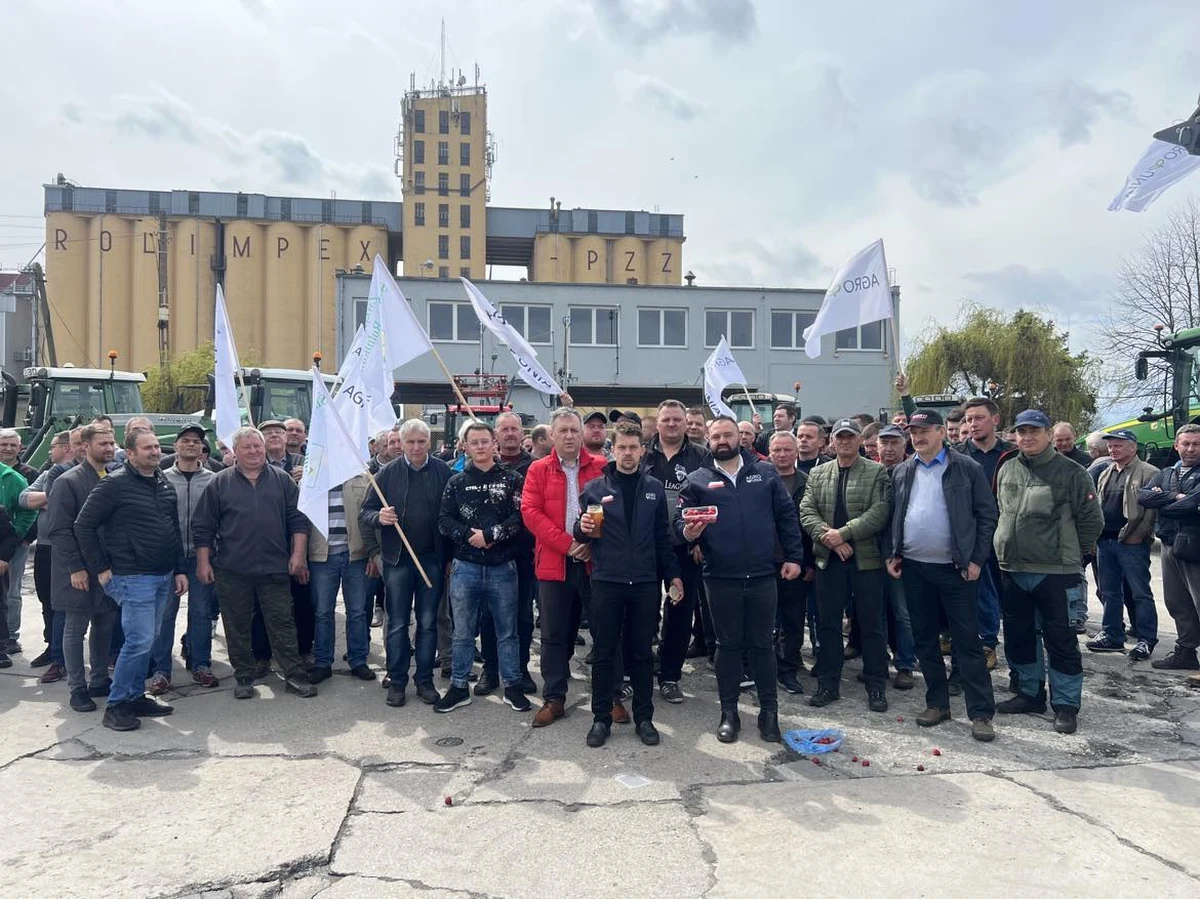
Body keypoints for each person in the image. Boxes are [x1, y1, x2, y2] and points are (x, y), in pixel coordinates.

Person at [677, 416, 804, 743]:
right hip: (720, 577)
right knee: (728, 646)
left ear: (740, 438)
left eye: (727, 434)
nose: (722, 440)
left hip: (763, 575)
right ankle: (729, 712)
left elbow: (787, 516)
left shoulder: (765, 473)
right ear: (708, 438)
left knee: (762, 644)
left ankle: (769, 712)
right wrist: (688, 532)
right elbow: (680, 523)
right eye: (715, 435)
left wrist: (793, 556)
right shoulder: (697, 480)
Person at [883, 409, 998, 742]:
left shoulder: (966, 468)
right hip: (915, 568)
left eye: (924, 431)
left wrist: (977, 559)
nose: (917, 437)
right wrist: (893, 552)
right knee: (924, 639)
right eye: (913, 432)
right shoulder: (903, 470)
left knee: (967, 642)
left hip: (956, 570)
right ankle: (938, 703)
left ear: (941, 433)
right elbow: (895, 514)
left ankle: (980, 713)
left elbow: (986, 515)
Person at [994, 410, 1102, 735]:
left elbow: (1091, 520)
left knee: (1061, 641)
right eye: (1021, 431)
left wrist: (1071, 555)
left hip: (1056, 572)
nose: (1026, 437)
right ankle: (1029, 694)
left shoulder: (1071, 472)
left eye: (1034, 431)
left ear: (1048, 433)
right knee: (1020, 637)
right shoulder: (1007, 466)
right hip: (1013, 569)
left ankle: (1066, 705)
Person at [73, 430, 187, 731]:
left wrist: (180, 569)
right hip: (132, 576)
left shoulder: (162, 481)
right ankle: (117, 705)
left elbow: (171, 527)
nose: (154, 452)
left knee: (148, 639)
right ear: (131, 452)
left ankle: (136, 695)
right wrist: (101, 568)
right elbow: (83, 525)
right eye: (147, 448)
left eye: (156, 447)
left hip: (163, 575)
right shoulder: (114, 484)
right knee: (138, 641)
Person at [192, 426, 317, 700]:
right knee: (237, 624)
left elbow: (298, 520)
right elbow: (203, 527)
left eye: (257, 446)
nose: (254, 451)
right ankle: (244, 676)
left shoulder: (283, 480)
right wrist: (203, 563)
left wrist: (298, 554)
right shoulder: (219, 483)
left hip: (275, 567)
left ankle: (294, 675)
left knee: (282, 622)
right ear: (235, 451)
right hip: (232, 568)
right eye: (247, 447)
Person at [577, 422, 681, 747]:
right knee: (604, 653)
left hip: (645, 584)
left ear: (642, 450)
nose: (627, 453)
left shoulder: (653, 489)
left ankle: (645, 718)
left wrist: (673, 576)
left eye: (633, 448)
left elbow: (663, 540)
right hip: (607, 581)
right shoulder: (595, 489)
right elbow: (584, 535)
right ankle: (600, 719)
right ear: (613, 449)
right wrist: (580, 529)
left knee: (640, 654)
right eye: (621, 447)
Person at [434, 421, 530, 714]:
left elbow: (519, 518)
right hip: (466, 567)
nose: (479, 447)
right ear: (465, 446)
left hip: (503, 567)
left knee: (507, 631)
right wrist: (470, 537)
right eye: (473, 442)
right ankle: (459, 686)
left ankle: (512, 685)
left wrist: (491, 536)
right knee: (463, 632)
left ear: (494, 444)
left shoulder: (512, 479)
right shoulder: (456, 481)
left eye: (484, 441)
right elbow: (444, 520)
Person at [798, 418, 892, 713]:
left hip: (865, 560)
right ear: (832, 441)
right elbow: (806, 511)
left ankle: (876, 685)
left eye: (850, 437)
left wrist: (846, 533)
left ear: (859, 440)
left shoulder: (876, 472)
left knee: (872, 625)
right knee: (827, 624)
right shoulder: (818, 473)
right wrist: (832, 539)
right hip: (829, 558)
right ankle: (828, 683)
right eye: (840, 437)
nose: (845, 442)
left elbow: (880, 512)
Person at [524, 408, 607, 727]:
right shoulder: (538, 470)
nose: (570, 436)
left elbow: (605, 506)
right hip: (554, 563)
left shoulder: (600, 466)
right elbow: (531, 513)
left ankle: (608, 696)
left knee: (604, 631)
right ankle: (554, 697)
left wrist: (591, 541)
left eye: (574, 430)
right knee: (554, 635)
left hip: (595, 563)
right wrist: (568, 543)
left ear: (582, 433)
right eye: (563, 431)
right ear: (553, 435)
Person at [360, 418, 452, 707]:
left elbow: (451, 516)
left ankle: (424, 681)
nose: (415, 447)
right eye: (409, 442)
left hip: (432, 560)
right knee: (398, 623)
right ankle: (397, 680)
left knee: (427, 623)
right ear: (399, 442)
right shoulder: (386, 474)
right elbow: (365, 512)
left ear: (429, 443)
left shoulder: (443, 471)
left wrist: (448, 557)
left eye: (420, 442)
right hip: (397, 559)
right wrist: (380, 518)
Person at [46, 424, 120, 713]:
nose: (109, 448)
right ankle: (77, 688)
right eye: (103, 443)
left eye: (112, 443)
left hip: (108, 568)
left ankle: (100, 680)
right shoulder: (68, 481)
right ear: (85, 446)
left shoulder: (114, 477)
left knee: (104, 625)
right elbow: (59, 529)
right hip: (77, 569)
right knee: (76, 629)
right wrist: (75, 567)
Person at [642, 399, 710, 704]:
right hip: (644, 549)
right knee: (642, 613)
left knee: (679, 614)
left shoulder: (701, 456)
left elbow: (712, 502)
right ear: (657, 423)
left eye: (676, 420)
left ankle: (670, 676)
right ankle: (639, 671)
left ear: (687, 423)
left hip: (685, 549)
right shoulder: (640, 453)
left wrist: (700, 542)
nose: (671, 424)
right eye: (666, 419)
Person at [1085, 430, 1158, 661]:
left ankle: (1146, 639)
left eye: (1118, 446)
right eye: (1110, 446)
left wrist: (1140, 535)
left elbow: (1152, 510)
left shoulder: (1149, 473)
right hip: (1106, 542)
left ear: (1133, 447)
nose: (1112, 450)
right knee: (1109, 592)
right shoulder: (1106, 472)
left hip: (1132, 543)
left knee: (1139, 593)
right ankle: (1112, 634)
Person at [156, 425, 220, 689]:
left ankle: (201, 663)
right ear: (177, 445)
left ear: (202, 449)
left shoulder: (214, 479)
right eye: (186, 440)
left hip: (202, 556)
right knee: (164, 614)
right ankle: (161, 669)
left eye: (196, 441)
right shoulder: (160, 478)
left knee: (201, 612)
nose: (191, 445)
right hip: (168, 558)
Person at [478, 411, 537, 695]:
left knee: (523, 616)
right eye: (505, 429)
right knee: (489, 615)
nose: (511, 433)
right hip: (491, 555)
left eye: (515, 429)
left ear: (522, 433)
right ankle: (490, 670)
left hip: (524, 554)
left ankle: (521, 668)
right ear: (496, 435)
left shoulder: (535, 467)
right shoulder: (484, 465)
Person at [1140, 425, 1200, 684]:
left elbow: (1193, 504)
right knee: (1177, 602)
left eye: (1196, 444)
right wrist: (1175, 496)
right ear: (1176, 445)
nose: (1190, 449)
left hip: (1195, 547)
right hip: (1169, 543)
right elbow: (1142, 496)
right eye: (1185, 443)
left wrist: (1164, 500)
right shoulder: (1167, 472)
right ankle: (1186, 652)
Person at [959, 396, 1016, 662]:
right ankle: (973, 640)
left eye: (979, 418)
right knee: (974, 590)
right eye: (969, 419)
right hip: (968, 533)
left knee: (996, 590)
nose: (973, 424)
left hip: (1005, 533)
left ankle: (989, 643)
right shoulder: (958, 454)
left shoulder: (1012, 454)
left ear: (995, 420)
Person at [308, 469, 376, 685]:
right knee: (322, 612)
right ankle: (322, 663)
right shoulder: (312, 477)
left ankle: (358, 661)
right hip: (321, 555)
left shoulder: (362, 477)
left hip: (356, 555)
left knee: (357, 611)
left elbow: (369, 517)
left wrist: (373, 553)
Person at [768, 431, 811, 694]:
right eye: (777, 450)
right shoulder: (757, 480)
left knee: (792, 621)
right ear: (769, 452)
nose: (782, 455)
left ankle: (788, 670)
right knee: (762, 621)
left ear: (796, 453)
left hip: (795, 563)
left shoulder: (808, 482)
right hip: (762, 562)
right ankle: (764, 668)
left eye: (787, 450)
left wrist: (807, 562)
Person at [0, 428, 37, 656]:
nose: (8, 448)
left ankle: (11, 636)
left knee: (12, 592)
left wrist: (21, 536)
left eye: (13, 445)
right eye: (4, 444)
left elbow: (31, 510)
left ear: (20, 447)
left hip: (14, 543)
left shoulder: (27, 474)